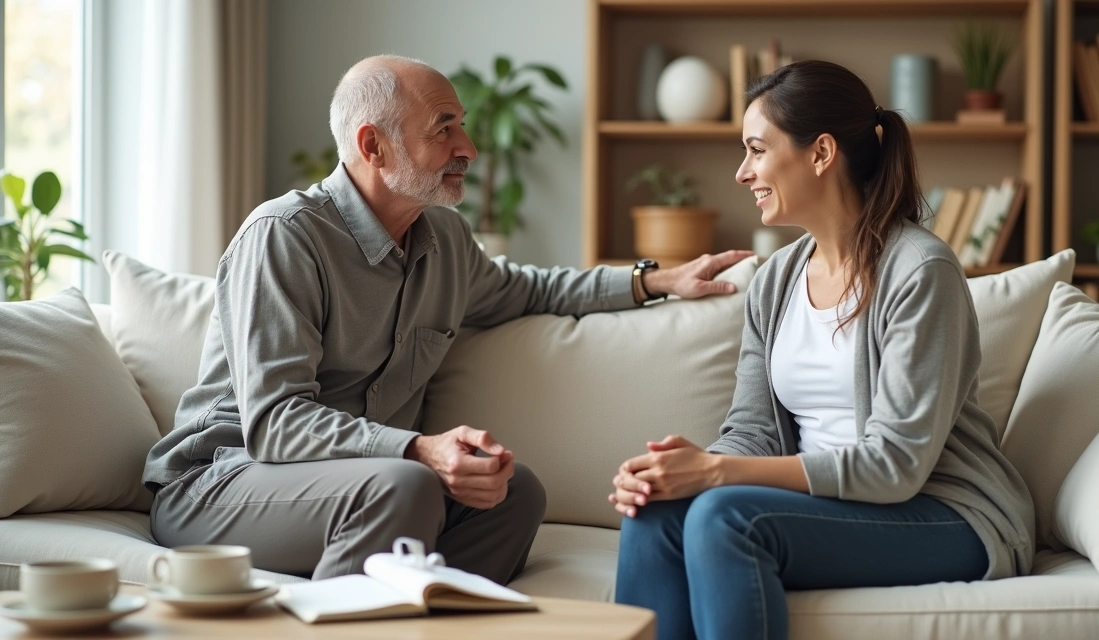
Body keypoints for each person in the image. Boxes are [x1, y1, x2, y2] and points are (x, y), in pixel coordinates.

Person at [142, 55, 750, 584]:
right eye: (445, 128)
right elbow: (275, 424)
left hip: (361, 488)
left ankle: (425, 612)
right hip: (224, 482)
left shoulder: (445, 240)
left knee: (511, 493)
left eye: (462, 125)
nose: (469, 148)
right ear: (372, 145)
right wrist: (419, 449)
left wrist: (655, 281)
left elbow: (526, 289)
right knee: (403, 485)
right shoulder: (285, 237)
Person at [610, 60, 1034, 640]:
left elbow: (895, 466)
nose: (741, 172)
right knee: (653, 513)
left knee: (724, 517)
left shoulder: (920, 271)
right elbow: (752, 431)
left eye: (757, 150)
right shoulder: (777, 279)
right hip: (837, 508)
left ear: (820, 153)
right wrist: (683, 470)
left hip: (946, 513)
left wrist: (716, 475)